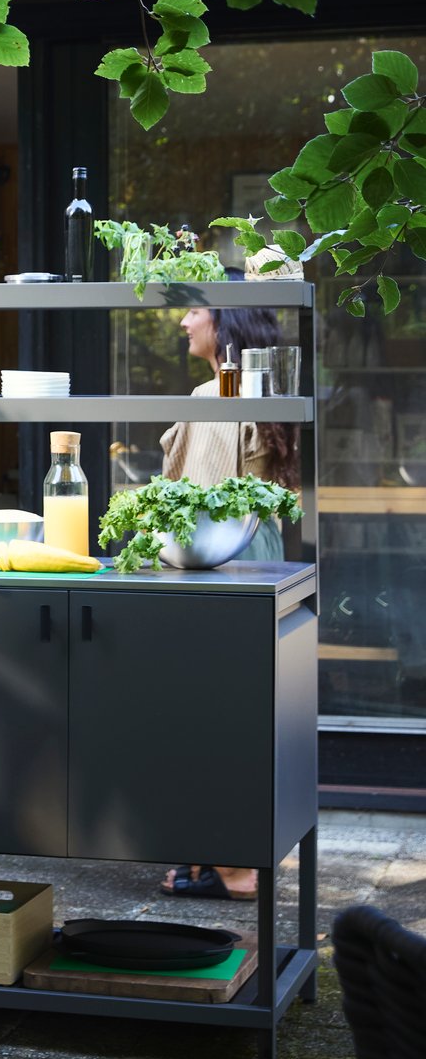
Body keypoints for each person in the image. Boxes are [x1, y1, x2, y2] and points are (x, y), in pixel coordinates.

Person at [159, 301, 301, 904]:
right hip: (238, 546)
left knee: (221, 707)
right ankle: (222, 852)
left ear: (225, 319)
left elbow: (201, 487)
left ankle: (236, 865)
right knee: (226, 705)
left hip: (230, 550)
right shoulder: (248, 390)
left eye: (194, 309)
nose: (182, 321)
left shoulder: (233, 393)